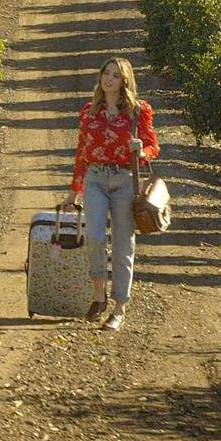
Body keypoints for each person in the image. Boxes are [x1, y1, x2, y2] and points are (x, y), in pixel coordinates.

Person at [62, 56, 159, 332]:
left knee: (122, 244)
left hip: (125, 179)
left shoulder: (139, 111)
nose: (109, 79)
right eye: (106, 73)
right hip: (95, 178)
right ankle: (97, 296)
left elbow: (154, 147)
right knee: (93, 235)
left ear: (124, 81)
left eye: (116, 75)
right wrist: (74, 192)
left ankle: (119, 308)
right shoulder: (90, 110)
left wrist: (142, 150)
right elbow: (82, 153)